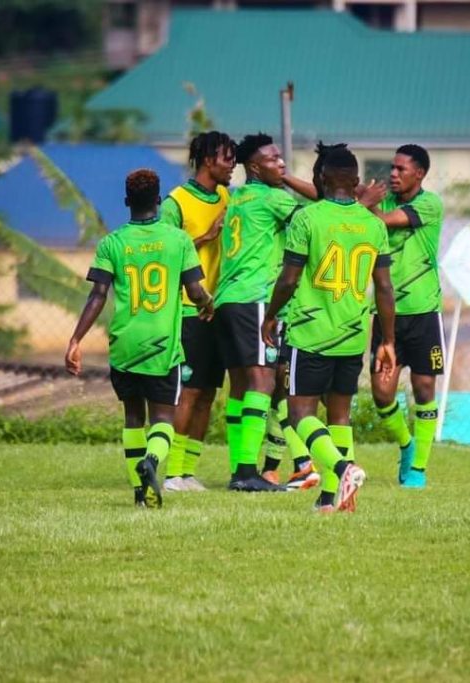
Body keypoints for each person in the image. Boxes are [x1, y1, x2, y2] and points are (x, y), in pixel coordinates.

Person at [65, 169, 214, 508]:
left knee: (133, 417)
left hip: (125, 344)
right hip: (163, 345)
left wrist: (75, 340)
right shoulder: (179, 240)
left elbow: (98, 296)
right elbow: (195, 291)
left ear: (126, 201)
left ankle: (139, 493)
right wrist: (207, 303)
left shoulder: (112, 243)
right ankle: (152, 462)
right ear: (159, 200)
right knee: (163, 419)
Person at [262, 148, 397, 513]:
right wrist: (388, 340)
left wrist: (270, 315)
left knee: (299, 414)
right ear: (356, 182)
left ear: (321, 179)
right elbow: (385, 288)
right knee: (339, 416)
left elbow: (289, 278)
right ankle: (331, 497)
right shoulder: (374, 225)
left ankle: (342, 469)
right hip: (353, 335)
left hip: (311, 333)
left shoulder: (308, 218)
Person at [215, 133, 302, 492]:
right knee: (263, 383)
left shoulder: (236, 198)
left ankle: (240, 469)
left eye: (281, 158)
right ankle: (248, 472)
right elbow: (317, 216)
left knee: (239, 386)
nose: (281, 163)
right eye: (273, 159)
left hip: (226, 299)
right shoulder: (273, 198)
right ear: (254, 167)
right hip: (255, 299)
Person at [359, 144, 445, 489]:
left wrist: (365, 202)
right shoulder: (381, 201)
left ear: (419, 173)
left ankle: (418, 469)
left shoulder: (430, 204)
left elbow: (383, 220)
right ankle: (407, 445)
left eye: (401, 169)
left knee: (424, 388)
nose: (393, 174)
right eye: (391, 168)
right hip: (387, 315)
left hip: (424, 313)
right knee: (382, 394)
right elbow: (338, 195)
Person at [159, 131, 235, 492]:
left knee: (207, 394)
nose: (232, 165)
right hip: (190, 310)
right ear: (207, 160)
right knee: (188, 391)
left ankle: (188, 472)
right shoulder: (175, 202)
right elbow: (161, 253)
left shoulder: (227, 197)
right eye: (227, 158)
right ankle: (172, 474)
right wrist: (205, 237)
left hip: (220, 309)